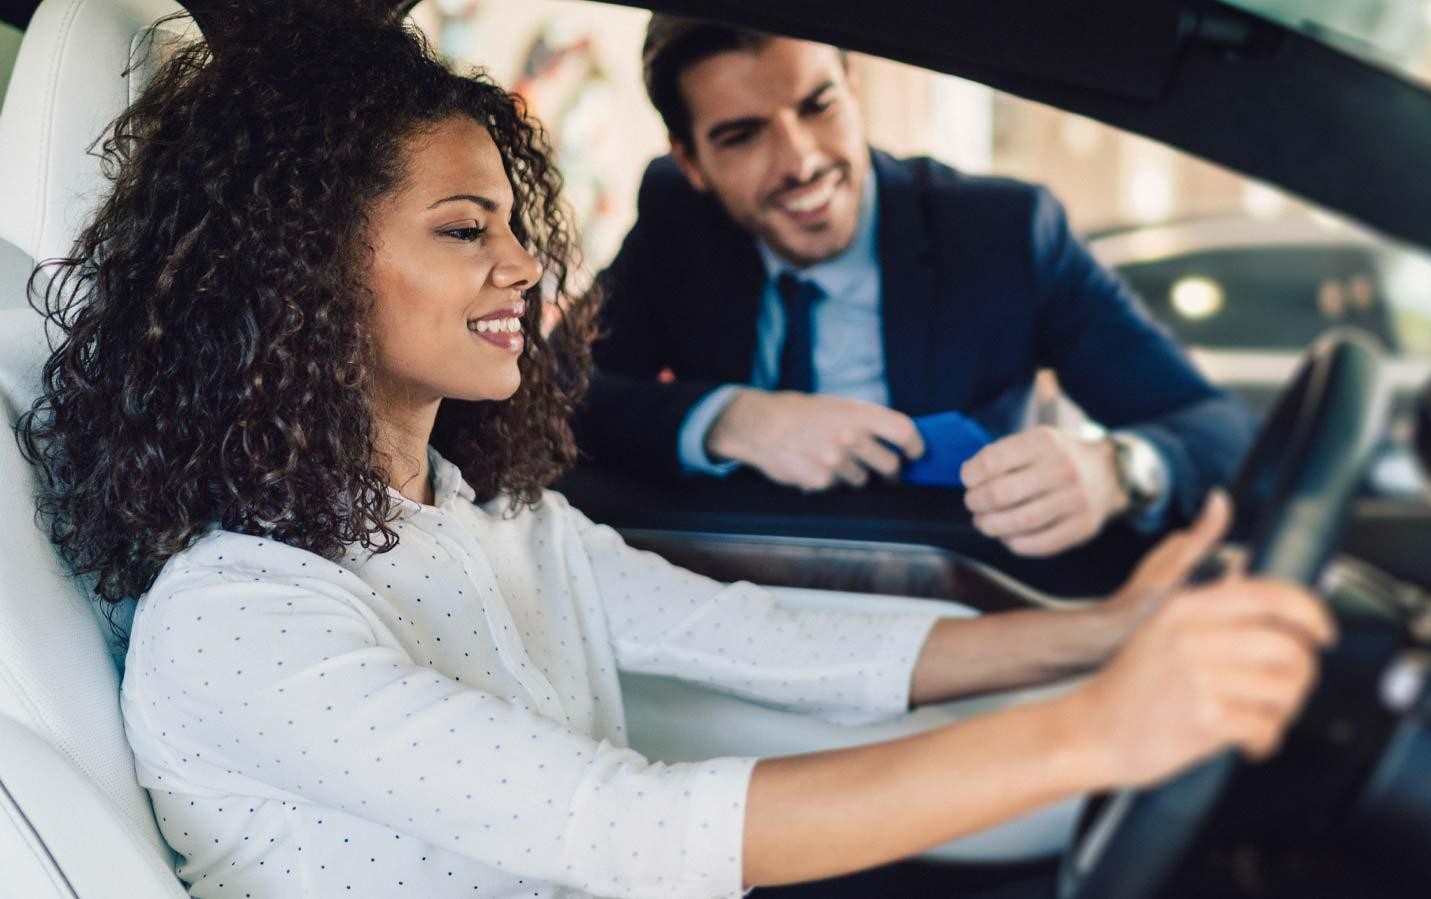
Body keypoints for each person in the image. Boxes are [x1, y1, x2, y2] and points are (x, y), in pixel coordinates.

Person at [20, 11, 1331, 899]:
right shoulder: (244, 618)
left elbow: (754, 632)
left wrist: (1101, 630)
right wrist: (1098, 729)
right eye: (467, 230)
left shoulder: (484, 516)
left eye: (516, 226)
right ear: (302, 276)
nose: (528, 268)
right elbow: (620, 819)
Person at [574, 16, 1256, 558]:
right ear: (690, 161)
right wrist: (728, 420)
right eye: (743, 136)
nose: (802, 160)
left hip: (960, 591)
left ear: (854, 88)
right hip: (724, 589)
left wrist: (1117, 470)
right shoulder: (676, 221)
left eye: (818, 105)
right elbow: (559, 396)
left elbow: (1216, 430)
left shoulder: (1005, 234)